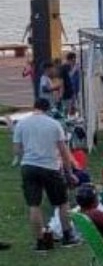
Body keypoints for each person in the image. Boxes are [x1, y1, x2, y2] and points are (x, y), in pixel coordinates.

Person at [12, 98, 80, 250]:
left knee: (34, 204)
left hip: (29, 166)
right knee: (62, 202)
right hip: (50, 166)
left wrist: (28, 156)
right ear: (48, 109)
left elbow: (17, 150)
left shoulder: (21, 124)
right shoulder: (54, 124)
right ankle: (68, 235)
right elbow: (63, 151)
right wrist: (69, 172)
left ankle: (41, 241)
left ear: (34, 107)